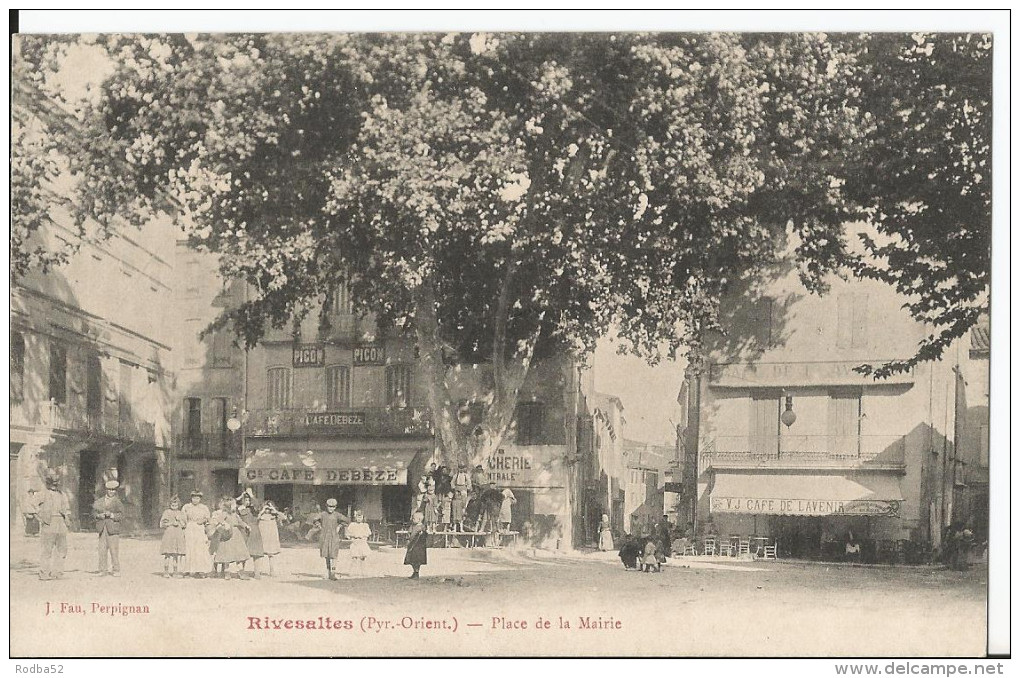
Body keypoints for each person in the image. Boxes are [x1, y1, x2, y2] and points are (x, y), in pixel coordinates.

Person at [36, 471, 70, 580]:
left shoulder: (62, 494)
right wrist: (40, 517)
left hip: (61, 523)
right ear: (48, 483)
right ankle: (44, 573)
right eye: (53, 483)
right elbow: (31, 504)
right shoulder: (43, 493)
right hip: (49, 523)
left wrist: (67, 518)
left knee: (61, 549)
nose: (55, 486)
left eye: (56, 483)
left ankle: (58, 572)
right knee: (47, 550)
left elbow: (67, 508)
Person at [209, 496, 250, 579]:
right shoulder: (224, 513)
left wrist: (246, 525)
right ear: (229, 506)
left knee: (239, 553)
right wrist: (225, 523)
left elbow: (240, 522)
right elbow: (218, 520)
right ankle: (227, 572)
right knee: (227, 553)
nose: (235, 506)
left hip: (236, 534)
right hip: (227, 535)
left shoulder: (235, 514)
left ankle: (240, 572)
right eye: (234, 504)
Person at [93, 480, 125, 576]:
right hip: (102, 528)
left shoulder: (118, 502)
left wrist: (111, 515)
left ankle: (116, 570)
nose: (111, 492)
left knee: (113, 550)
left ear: (115, 491)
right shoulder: (99, 501)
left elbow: (122, 515)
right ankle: (102, 570)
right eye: (110, 490)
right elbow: (93, 513)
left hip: (113, 529)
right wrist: (99, 516)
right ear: (106, 490)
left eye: (113, 490)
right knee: (102, 550)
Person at [316, 498, 349, 580]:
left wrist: (339, 526)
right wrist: (319, 526)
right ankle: (328, 572)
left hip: (334, 536)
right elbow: (315, 520)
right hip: (325, 537)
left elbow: (347, 520)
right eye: (329, 506)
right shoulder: (323, 514)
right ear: (326, 506)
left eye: (333, 507)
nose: (331, 508)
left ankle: (333, 573)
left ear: (335, 507)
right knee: (326, 555)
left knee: (334, 555)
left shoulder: (337, 515)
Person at [182, 490, 213, 577]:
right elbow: (183, 518)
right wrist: (184, 526)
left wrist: (203, 520)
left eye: (197, 498)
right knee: (190, 548)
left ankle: (201, 570)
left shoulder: (204, 508)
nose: (195, 500)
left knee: (200, 548)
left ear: (200, 499)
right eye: (194, 498)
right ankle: (189, 569)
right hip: (190, 527)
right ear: (191, 498)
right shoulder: (186, 507)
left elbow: (208, 518)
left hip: (199, 528)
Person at [237, 491, 264, 579]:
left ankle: (257, 572)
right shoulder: (238, 508)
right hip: (244, 531)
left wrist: (252, 495)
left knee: (257, 552)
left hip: (255, 531)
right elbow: (231, 506)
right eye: (246, 500)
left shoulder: (254, 508)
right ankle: (241, 572)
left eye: (249, 500)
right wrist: (240, 496)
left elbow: (259, 505)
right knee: (242, 553)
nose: (248, 502)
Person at [159, 495, 187, 578]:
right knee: (167, 553)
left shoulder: (181, 513)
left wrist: (179, 520)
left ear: (179, 505)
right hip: (169, 534)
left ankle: (175, 571)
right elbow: (162, 524)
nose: (174, 507)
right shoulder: (167, 512)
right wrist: (171, 523)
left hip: (178, 534)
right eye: (172, 505)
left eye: (176, 505)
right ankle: (166, 571)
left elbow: (184, 525)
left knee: (176, 554)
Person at [258, 500, 283, 576]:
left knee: (271, 555)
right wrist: (262, 511)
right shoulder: (261, 516)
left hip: (271, 537)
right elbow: (257, 518)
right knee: (259, 555)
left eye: (269, 508)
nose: (267, 510)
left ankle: (272, 571)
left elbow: (283, 517)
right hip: (263, 537)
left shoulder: (274, 516)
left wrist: (274, 509)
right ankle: (258, 571)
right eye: (266, 508)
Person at [346, 509, 372, 578]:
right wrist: (353, 536)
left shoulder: (365, 525)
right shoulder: (352, 525)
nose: (359, 519)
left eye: (360, 517)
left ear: (363, 517)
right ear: (355, 517)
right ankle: (352, 572)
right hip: (355, 542)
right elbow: (348, 534)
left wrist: (364, 536)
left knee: (363, 558)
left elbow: (368, 533)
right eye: (357, 517)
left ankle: (364, 572)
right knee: (354, 558)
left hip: (362, 543)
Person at [404, 511, 428, 579]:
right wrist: (408, 540)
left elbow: (425, 536)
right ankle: (415, 571)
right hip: (412, 546)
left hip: (419, 547)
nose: (412, 520)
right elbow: (409, 533)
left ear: (419, 520)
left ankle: (416, 572)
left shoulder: (422, 527)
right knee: (411, 560)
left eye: (414, 518)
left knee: (417, 560)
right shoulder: (412, 526)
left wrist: (423, 534)